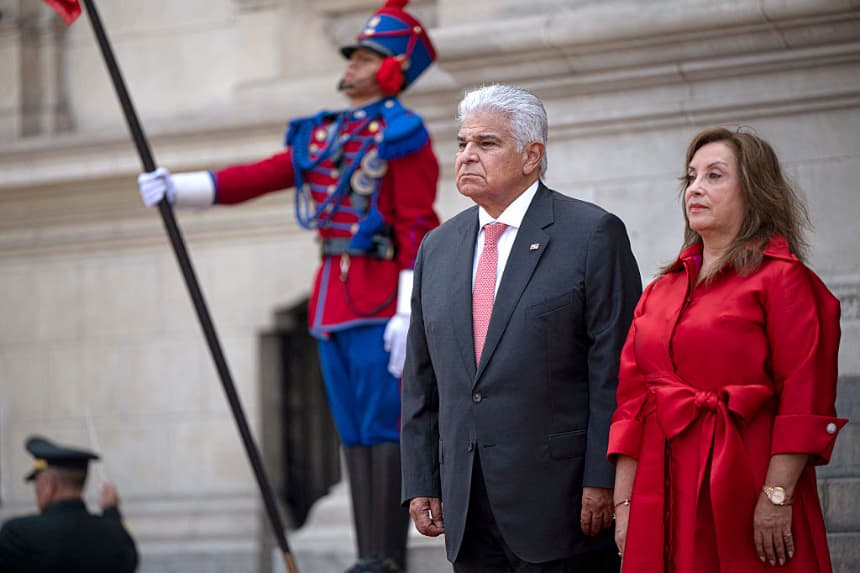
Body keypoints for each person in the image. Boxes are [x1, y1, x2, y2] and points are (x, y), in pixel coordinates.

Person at [136, 1, 438, 571]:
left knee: (382, 428)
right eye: (353, 55)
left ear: (391, 68)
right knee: (350, 430)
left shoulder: (402, 133)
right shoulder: (324, 132)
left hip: (378, 301)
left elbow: (417, 225)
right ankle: (365, 554)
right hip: (332, 298)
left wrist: (408, 311)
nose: (351, 64)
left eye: (366, 56)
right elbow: (263, 175)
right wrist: (180, 186)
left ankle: (386, 558)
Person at [400, 84, 642, 572]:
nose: (467, 156)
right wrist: (422, 479)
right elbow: (421, 377)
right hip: (467, 506)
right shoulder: (437, 247)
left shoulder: (592, 234)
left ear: (532, 155)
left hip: (563, 505)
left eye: (486, 144)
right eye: (463, 143)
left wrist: (605, 476)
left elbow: (617, 369)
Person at [608, 127, 847, 572]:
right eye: (691, 177)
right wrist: (624, 504)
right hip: (661, 487)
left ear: (754, 190)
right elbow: (631, 405)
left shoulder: (782, 279)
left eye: (715, 176)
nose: (696, 188)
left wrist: (777, 497)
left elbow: (805, 394)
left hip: (748, 477)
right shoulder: (658, 291)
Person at [0, 435, 138, 573]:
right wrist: (112, 511)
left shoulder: (17, 535)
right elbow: (129, 559)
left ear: (50, 486)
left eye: (37, 483)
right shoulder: (116, 535)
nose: (36, 490)